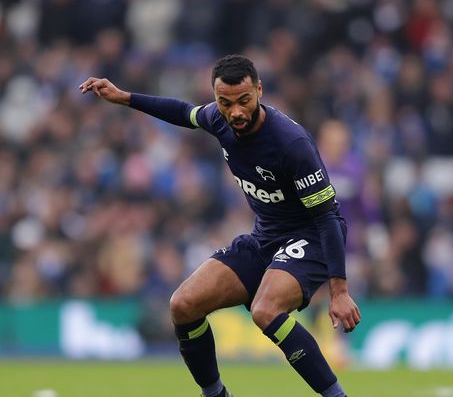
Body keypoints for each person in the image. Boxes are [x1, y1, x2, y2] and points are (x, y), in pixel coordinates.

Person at [80, 55, 361, 397]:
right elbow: (182, 113)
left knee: (265, 310)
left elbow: (327, 217)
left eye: (244, 101)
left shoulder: (291, 143)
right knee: (183, 304)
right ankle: (216, 395)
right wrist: (124, 97)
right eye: (226, 103)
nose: (236, 112)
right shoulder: (218, 118)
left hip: (311, 237)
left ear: (259, 90)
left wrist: (340, 291)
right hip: (266, 238)